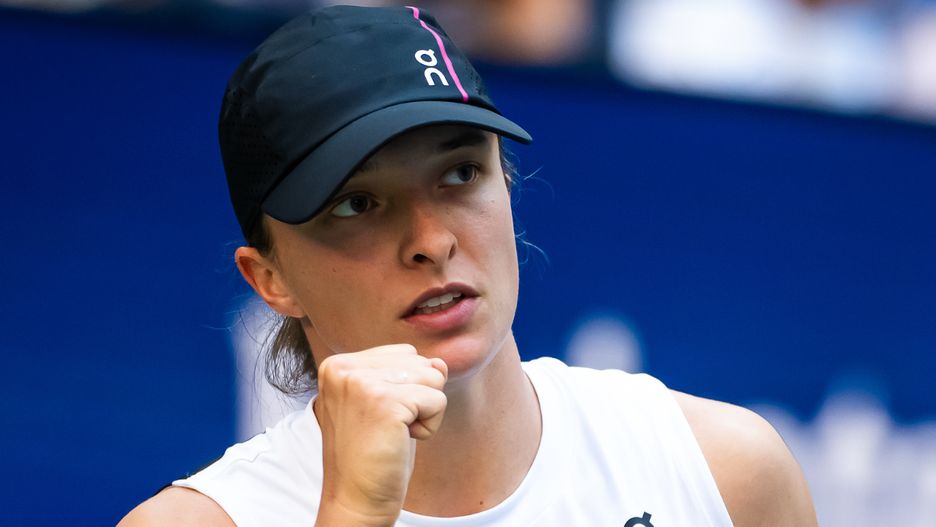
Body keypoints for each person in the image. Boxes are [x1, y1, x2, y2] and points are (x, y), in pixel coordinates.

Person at [119, 5, 817, 526]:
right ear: (269, 279)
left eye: (460, 172)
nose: (431, 240)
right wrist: (355, 512)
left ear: (507, 183)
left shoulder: (726, 472)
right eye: (357, 204)